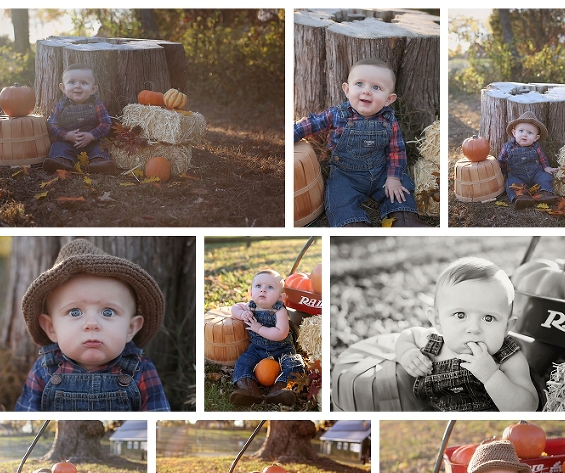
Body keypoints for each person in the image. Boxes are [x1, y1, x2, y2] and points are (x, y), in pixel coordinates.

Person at [15, 239, 170, 412]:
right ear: (51, 328)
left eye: (108, 312)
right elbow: (27, 412)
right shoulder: (44, 370)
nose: (92, 324)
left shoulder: (141, 371)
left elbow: (157, 413)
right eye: (74, 312)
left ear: (131, 328)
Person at [293, 57, 428, 227]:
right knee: (338, 198)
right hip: (345, 175)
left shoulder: (389, 120)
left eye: (376, 87)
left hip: (380, 173)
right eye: (359, 84)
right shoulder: (338, 115)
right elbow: (312, 124)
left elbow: (396, 151)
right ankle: (353, 225)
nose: (366, 91)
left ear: (389, 99)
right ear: (347, 89)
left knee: (402, 188)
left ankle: (404, 219)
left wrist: (393, 177)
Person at [394, 257, 538, 412]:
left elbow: (528, 407)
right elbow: (407, 335)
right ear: (438, 321)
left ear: (507, 327)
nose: (474, 328)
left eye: (488, 318)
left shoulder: (508, 359)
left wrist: (491, 376)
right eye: (460, 315)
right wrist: (408, 353)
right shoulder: (433, 344)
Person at [229, 269, 303, 407]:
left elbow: (281, 333)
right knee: (243, 362)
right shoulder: (250, 306)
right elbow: (234, 307)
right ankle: (248, 389)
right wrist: (241, 314)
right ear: (251, 293)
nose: (263, 290)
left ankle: (281, 390)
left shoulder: (279, 310)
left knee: (295, 364)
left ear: (280, 297)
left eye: (270, 287)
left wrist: (259, 328)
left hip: (282, 350)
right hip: (257, 349)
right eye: (258, 286)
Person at [43, 63, 116, 175]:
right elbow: (52, 124)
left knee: (100, 147)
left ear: (93, 89)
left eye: (84, 83)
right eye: (72, 82)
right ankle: (61, 161)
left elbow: (106, 123)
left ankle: (99, 162)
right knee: (59, 146)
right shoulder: (61, 106)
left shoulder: (97, 105)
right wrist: (66, 135)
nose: (77, 86)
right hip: (67, 141)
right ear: (63, 88)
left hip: (92, 141)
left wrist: (91, 136)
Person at [497, 111, 560, 209]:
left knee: (546, 177)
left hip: (535, 173)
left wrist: (546, 167)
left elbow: (542, 157)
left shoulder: (536, 147)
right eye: (521, 131)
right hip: (517, 175)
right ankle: (521, 197)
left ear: (536, 137)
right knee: (511, 183)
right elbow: (501, 161)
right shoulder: (508, 147)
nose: (524, 135)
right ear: (514, 133)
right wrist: (502, 173)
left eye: (529, 133)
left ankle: (545, 193)